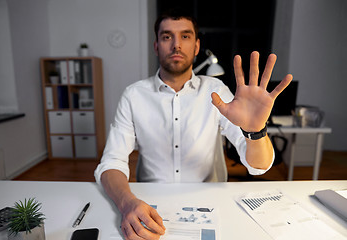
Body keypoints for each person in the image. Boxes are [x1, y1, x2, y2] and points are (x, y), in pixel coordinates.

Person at [94, 9, 292, 240]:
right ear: (156, 46)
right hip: (148, 205)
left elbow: (258, 166)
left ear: (197, 47)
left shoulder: (216, 91)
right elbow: (111, 162)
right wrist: (127, 203)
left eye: (185, 36)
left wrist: (255, 131)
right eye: (167, 36)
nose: (176, 45)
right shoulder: (133, 95)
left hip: (211, 203)